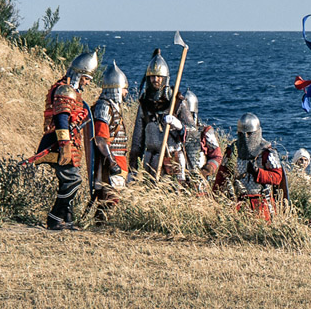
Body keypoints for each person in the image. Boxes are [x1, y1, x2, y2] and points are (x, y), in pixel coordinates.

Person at [34, 50, 98, 230]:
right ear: (78, 74)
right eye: (86, 78)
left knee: (68, 180)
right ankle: (54, 218)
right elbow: (61, 120)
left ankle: (67, 220)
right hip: (58, 143)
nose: (87, 82)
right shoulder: (65, 90)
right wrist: (65, 146)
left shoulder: (71, 90)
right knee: (73, 180)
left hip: (70, 142)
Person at [129, 49, 195, 180]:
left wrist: (180, 126)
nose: (156, 80)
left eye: (159, 76)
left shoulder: (177, 102)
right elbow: (137, 141)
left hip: (173, 158)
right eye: (153, 76)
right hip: (151, 161)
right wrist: (132, 169)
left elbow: (193, 132)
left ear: (165, 78)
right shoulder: (144, 103)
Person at [214, 113, 284, 220]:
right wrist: (215, 198)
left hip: (262, 203)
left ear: (256, 133)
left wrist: (258, 173)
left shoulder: (267, 153)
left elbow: (277, 177)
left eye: (249, 134)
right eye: (242, 134)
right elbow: (221, 176)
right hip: (238, 202)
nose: (246, 138)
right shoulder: (232, 151)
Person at [91, 61, 129, 222]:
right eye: (124, 89)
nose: (126, 93)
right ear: (117, 89)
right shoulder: (104, 107)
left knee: (112, 198)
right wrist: (112, 163)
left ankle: (101, 223)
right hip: (109, 161)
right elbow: (100, 139)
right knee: (109, 197)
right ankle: (100, 225)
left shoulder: (113, 107)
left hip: (117, 158)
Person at [181, 89, 222, 181]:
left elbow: (217, 156)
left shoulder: (205, 132)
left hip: (199, 181)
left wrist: (206, 171)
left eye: (189, 114)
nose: (185, 117)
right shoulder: (172, 132)